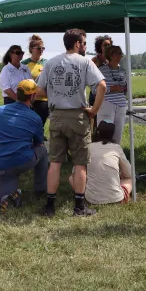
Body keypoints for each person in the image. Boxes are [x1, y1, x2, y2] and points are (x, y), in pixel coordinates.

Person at [36, 28, 106, 217]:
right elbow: (102, 85)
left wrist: (56, 94)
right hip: (77, 116)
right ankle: (79, 206)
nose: (84, 46)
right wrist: (94, 110)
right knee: (80, 163)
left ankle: (50, 205)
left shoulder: (51, 62)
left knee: (55, 162)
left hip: (57, 115)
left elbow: (38, 90)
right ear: (77, 44)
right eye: (83, 43)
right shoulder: (84, 62)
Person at [0, 79, 48, 214]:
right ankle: (40, 189)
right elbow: (39, 143)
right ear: (32, 97)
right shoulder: (35, 117)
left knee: (6, 191)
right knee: (43, 151)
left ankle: (7, 198)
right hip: (20, 161)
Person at [77, 121, 132, 205]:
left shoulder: (88, 147)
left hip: (91, 198)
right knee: (130, 179)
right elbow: (129, 173)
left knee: (72, 178)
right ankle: (123, 195)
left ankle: (80, 195)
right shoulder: (116, 148)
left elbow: (77, 172)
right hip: (116, 198)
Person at [98, 45, 128, 144]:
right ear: (111, 55)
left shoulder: (123, 70)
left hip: (121, 105)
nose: (120, 56)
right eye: (118, 54)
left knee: (117, 135)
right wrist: (111, 89)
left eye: (121, 54)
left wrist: (124, 89)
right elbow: (96, 89)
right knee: (105, 133)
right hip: (107, 104)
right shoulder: (102, 70)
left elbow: (126, 88)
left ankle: (115, 154)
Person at [22, 35, 49, 126]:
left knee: (40, 123)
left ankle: (39, 137)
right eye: (38, 48)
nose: (41, 50)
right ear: (31, 49)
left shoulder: (47, 63)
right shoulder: (23, 64)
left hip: (43, 99)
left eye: (43, 48)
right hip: (28, 99)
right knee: (29, 123)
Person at [89, 35, 112, 108]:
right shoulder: (95, 60)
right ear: (100, 47)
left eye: (109, 45)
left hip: (109, 96)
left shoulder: (111, 60)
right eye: (105, 45)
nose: (107, 47)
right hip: (97, 95)